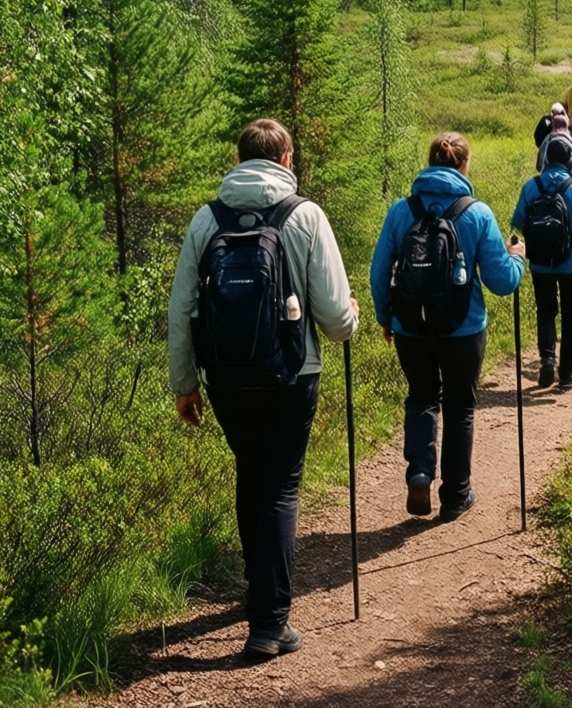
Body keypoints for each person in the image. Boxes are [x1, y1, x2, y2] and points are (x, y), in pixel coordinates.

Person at [169, 118, 360, 662]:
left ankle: (259, 594)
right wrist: (351, 319)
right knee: (280, 485)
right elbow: (333, 317)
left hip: (225, 378)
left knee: (250, 473)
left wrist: (184, 383)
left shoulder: (207, 220)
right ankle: (269, 622)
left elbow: (182, 308)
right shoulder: (305, 216)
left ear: (240, 158)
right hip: (291, 376)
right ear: (285, 158)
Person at [370, 132, 525, 520]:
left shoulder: (400, 211)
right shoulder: (477, 213)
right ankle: (455, 496)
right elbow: (502, 282)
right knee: (460, 407)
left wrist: (386, 317)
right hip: (463, 328)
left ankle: (420, 471)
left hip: (410, 326)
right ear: (463, 166)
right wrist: (517, 258)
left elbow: (378, 274)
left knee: (422, 397)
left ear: (429, 163)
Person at [511, 138, 572, 391]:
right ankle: (566, 375)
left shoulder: (531, 187)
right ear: (569, 160)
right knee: (571, 317)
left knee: (545, 312)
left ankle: (547, 360)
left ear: (545, 159)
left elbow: (518, 221)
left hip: (540, 263)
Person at [537, 113, 572, 179]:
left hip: (548, 176)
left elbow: (541, 158)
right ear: (566, 124)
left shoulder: (548, 138)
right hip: (570, 178)